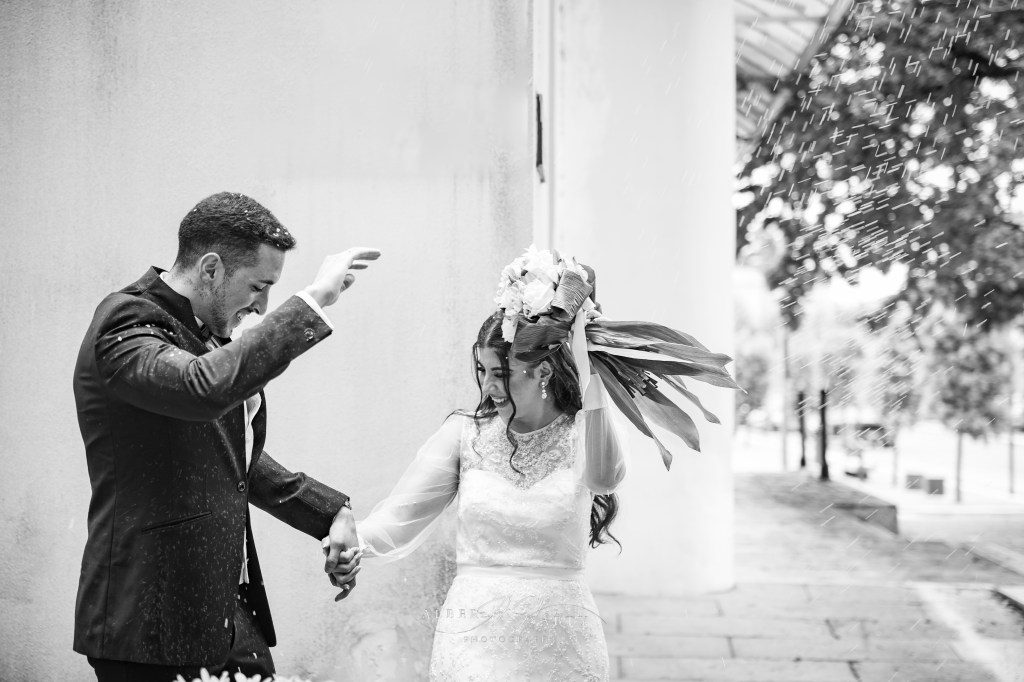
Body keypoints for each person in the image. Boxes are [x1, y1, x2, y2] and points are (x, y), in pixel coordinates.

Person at [347, 247, 736, 681]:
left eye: (503, 374)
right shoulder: (464, 435)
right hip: (473, 643)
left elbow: (605, 478)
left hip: (563, 646)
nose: (490, 387)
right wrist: (350, 541)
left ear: (543, 373)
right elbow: (400, 517)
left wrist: (591, 374)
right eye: (484, 371)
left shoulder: (584, 432)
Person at [73, 192, 379, 681]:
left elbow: (232, 458)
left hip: (229, 611)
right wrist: (313, 301)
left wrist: (329, 511)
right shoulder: (127, 322)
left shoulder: (206, 332)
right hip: (150, 614)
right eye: (259, 286)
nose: (262, 306)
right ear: (211, 268)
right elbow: (203, 389)